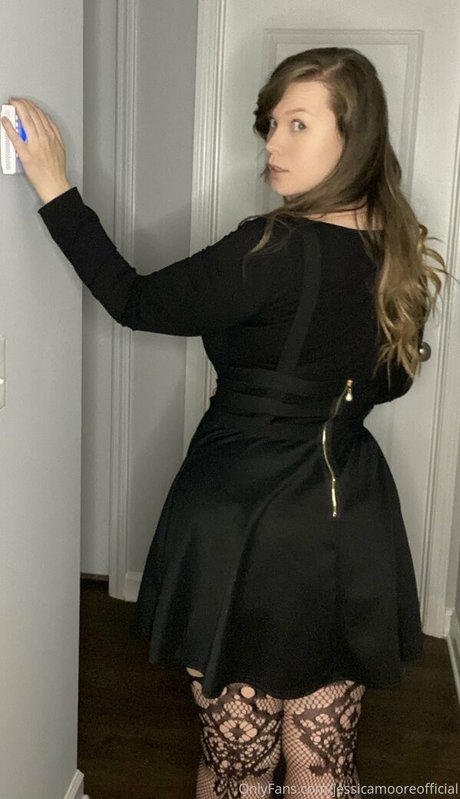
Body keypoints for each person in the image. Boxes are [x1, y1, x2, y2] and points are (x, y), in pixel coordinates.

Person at [2, 46, 448, 798]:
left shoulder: (271, 248)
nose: (273, 143)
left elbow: (135, 300)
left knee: (239, 768)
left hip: (243, 521)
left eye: (298, 124)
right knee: (325, 764)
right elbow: (393, 383)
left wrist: (54, 186)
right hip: (352, 514)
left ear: (356, 136)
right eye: (270, 123)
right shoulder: (400, 250)